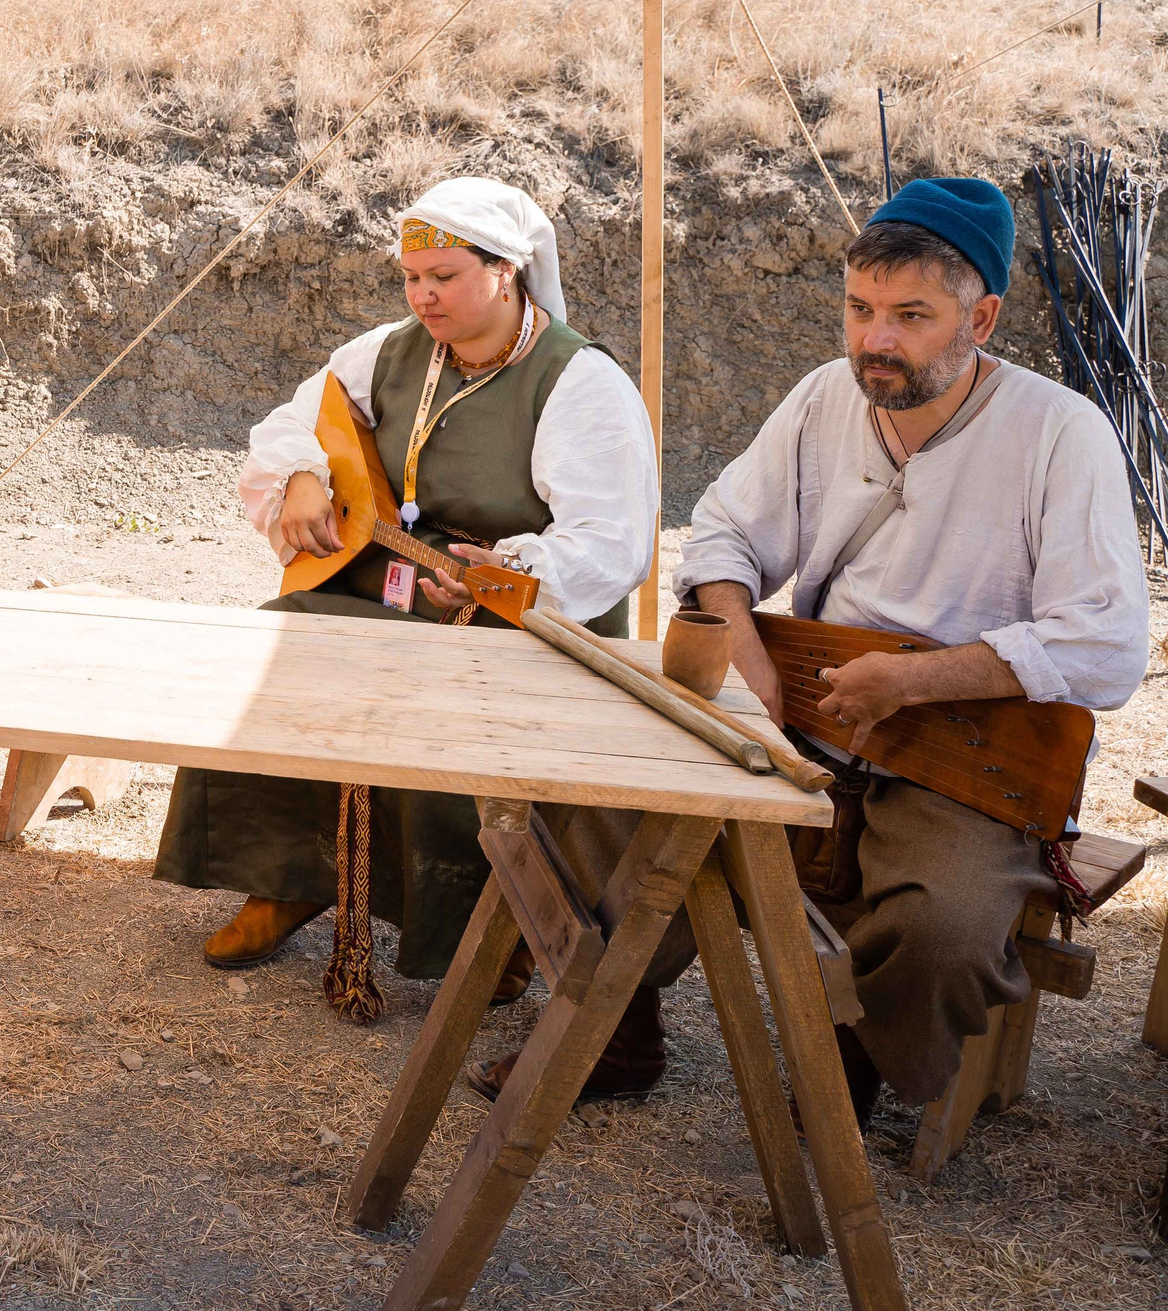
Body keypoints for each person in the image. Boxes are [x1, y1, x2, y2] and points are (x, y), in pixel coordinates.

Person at [474, 177, 1150, 1117]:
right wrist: (746, 650)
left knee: (946, 925)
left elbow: (1108, 644)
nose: (876, 339)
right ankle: (617, 1028)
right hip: (816, 707)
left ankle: (847, 1068)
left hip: (963, 744)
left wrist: (916, 681)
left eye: (911, 315)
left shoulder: (1060, 435)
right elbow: (722, 534)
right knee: (595, 800)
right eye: (861, 309)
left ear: (982, 317)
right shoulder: (826, 397)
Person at [153, 178, 657, 1018]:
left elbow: (611, 542)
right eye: (413, 275)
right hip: (389, 593)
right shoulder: (388, 353)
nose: (424, 295)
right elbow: (289, 422)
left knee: (442, 702)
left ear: (507, 272)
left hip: (516, 621)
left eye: (446, 276)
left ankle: (483, 933)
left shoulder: (580, 382)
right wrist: (305, 477)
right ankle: (289, 876)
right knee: (278, 650)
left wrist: (508, 571)